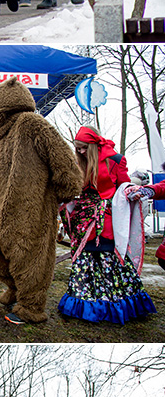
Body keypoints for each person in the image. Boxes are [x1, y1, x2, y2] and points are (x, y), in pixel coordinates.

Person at [58, 126, 156, 323]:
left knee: (110, 258)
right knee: (85, 260)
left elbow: (125, 188)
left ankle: (118, 305)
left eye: (84, 148)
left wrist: (140, 192)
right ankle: (85, 306)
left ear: (94, 145)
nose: (81, 152)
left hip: (108, 219)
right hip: (82, 219)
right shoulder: (77, 163)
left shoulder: (116, 161)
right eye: (78, 149)